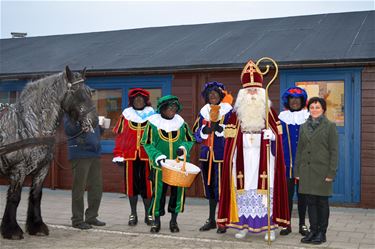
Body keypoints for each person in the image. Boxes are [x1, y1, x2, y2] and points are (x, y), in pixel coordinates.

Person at [217, 60, 290, 241]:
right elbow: (229, 139)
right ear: (242, 94)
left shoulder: (269, 111)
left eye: (255, 90)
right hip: (242, 159)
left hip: (264, 158)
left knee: (265, 192)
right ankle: (243, 226)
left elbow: (279, 138)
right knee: (244, 191)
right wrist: (232, 154)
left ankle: (269, 227)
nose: (251, 94)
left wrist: (271, 136)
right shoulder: (236, 113)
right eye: (248, 90)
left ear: (261, 92)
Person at [141, 95, 195, 234]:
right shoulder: (152, 124)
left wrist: (183, 148)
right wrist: (157, 156)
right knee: (158, 194)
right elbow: (146, 143)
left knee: (177, 194)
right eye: (169, 107)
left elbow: (190, 139)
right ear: (162, 109)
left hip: (177, 166)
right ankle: (156, 222)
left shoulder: (181, 124)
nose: (172, 110)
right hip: (160, 167)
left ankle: (173, 221)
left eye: (174, 107)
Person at [295, 97, 338, 245]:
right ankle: (313, 230)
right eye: (312, 107)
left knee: (322, 202)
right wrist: (297, 171)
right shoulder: (303, 126)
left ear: (323, 109)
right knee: (310, 202)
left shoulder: (330, 126)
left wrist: (331, 173)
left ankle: (321, 232)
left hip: (322, 172)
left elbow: (334, 151)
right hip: (306, 171)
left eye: (317, 107)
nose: (314, 110)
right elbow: (300, 150)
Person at [192, 81, 233, 233]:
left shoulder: (229, 112)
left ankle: (223, 220)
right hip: (206, 156)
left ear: (221, 96)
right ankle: (211, 219)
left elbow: (234, 132)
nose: (213, 96)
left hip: (221, 156)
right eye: (210, 94)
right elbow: (195, 134)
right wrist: (204, 130)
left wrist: (221, 129)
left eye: (216, 94)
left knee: (221, 189)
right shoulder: (203, 112)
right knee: (209, 189)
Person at [112, 88, 155, 226]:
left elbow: (158, 138)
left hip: (147, 157)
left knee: (147, 187)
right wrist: (118, 154)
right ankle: (133, 213)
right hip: (130, 158)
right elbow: (120, 137)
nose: (138, 101)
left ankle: (149, 214)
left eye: (141, 99)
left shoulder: (153, 116)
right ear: (132, 101)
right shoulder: (125, 116)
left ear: (145, 101)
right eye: (135, 99)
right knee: (131, 186)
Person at [64, 115, 106, 230]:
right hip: (79, 153)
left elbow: (94, 132)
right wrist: (82, 121)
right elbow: (69, 130)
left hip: (94, 153)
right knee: (79, 188)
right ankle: (77, 220)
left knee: (97, 187)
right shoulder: (72, 111)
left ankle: (91, 217)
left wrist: (100, 128)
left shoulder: (91, 111)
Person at [278, 87, 310, 236]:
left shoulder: (309, 117)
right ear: (288, 101)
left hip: (305, 164)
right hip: (287, 163)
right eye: (292, 99)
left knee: (303, 195)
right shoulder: (282, 117)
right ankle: (287, 224)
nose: (295, 102)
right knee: (287, 196)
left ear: (302, 101)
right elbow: (276, 139)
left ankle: (303, 224)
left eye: (298, 99)